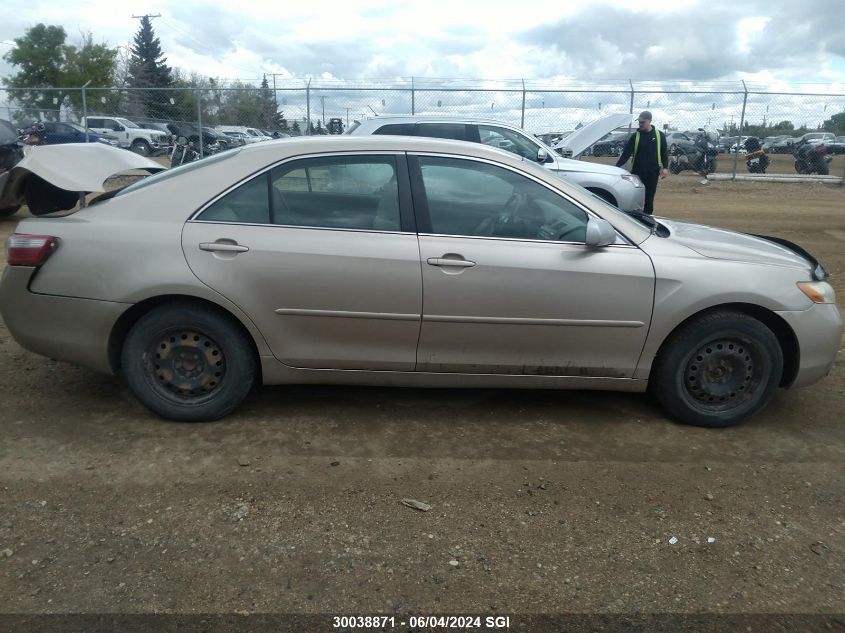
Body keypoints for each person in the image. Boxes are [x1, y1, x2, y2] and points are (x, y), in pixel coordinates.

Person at [616, 111, 668, 214]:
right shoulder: (635, 136)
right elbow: (626, 154)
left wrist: (665, 168)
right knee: (635, 196)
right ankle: (635, 217)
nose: (640, 124)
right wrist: (616, 167)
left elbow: (664, 152)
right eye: (639, 122)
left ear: (650, 121)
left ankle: (647, 217)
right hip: (637, 172)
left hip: (653, 172)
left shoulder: (659, 135)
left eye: (643, 122)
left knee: (649, 197)